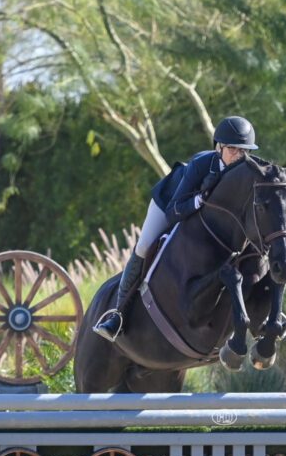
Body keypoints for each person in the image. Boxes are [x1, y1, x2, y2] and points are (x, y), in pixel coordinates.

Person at [93, 116, 259, 342]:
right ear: (219, 146)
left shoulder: (245, 169)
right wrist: (200, 199)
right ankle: (118, 314)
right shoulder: (201, 164)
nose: (239, 156)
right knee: (143, 246)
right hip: (170, 202)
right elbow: (174, 211)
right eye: (233, 149)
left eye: (244, 151)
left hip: (201, 219)